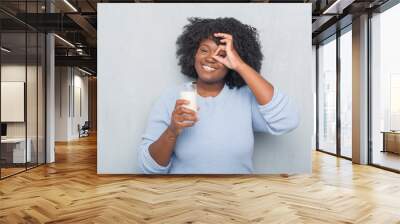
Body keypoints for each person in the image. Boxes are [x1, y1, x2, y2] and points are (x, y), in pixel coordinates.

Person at [138, 17, 299, 174]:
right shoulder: (171, 97)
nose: (210, 58)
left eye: (221, 54)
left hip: (237, 195)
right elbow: (148, 167)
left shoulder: (246, 97)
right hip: (185, 195)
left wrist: (240, 65)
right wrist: (172, 131)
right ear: (193, 54)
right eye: (204, 50)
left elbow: (287, 121)